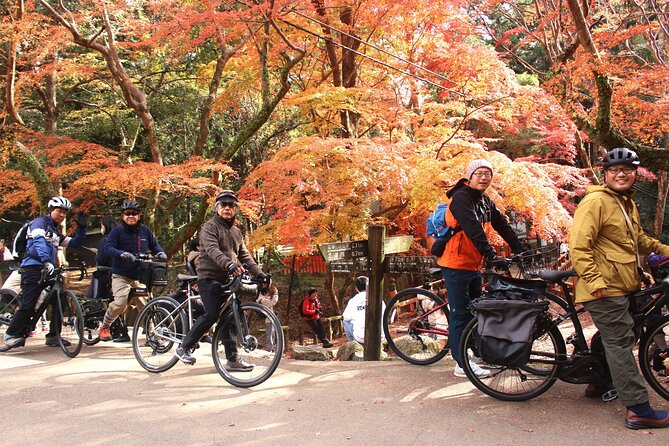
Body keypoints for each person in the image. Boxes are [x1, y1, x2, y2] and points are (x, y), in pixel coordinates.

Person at [569, 147, 669, 430]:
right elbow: (579, 246)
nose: (621, 173)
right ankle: (638, 410)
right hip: (604, 287)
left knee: (624, 335)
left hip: (621, 283)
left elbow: (637, 239)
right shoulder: (596, 202)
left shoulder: (625, 203)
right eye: (614, 170)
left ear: (635, 173)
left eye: (626, 169)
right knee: (620, 344)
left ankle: (598, 382)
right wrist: (595, 280)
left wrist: (664, 249)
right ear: (606, 174)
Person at [437, 159, 528, 378]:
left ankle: (476, 352)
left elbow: (502, 225)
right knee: (460, 314)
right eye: (479, 173)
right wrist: (491, 256)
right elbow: (472, 230)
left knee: (476, 312)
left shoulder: (485, 200)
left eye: (488, 173)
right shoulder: (460, 198)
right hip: (456, 264)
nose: (484, 177)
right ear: (469, 176)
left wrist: (520, 249)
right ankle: (461, 363)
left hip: (473, 265)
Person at [174, 190, 268, 367]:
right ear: (217, 208)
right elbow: (212, 250)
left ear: (236, 209)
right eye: (223, 205)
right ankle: (183, 347)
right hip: (208, 277)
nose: (227, 208)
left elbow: (245, 256)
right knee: (211, 314)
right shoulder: (209, 227)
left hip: (227, 279)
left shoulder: (237, 232)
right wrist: (230, 264)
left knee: (230, 317)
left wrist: (260, 274)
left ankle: (232, 360)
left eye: (231, 205)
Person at [0, 196, 87, 352]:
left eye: (64, 213)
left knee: (58, 297)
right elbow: (39, 242)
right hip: (32, 268)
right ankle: (11, 335)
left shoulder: (55, 231)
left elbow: (74, 243)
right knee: (28, 304)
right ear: (51, 210)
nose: (62, 215)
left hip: (48, 268)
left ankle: (53, 335)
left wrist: (81, 229)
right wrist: (46, 260)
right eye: (59, 211)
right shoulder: (39, 223)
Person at [98, 200, 167, 342]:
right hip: (121, 275)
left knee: (146, 304)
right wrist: (121, 254)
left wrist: (161, 253)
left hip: (140, 275)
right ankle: (105, 325)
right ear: (122, 216)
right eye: (127, 214)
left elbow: (155, 245)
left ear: (139, 215)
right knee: (120, 303)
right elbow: (108, 248)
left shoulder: (145, 231)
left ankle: (152, 335)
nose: (131, 216)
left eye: (134, 213)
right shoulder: (116, 232)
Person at [342, 276, 385, 344]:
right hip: (380, 337)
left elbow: (346, 317)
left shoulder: (354, 300)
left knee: (345, 322)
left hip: (361, 338)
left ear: (356, 288)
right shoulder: (377, 298)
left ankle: (353, 344)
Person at [86, 216, 117, 300]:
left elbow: (101, 260)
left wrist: (97, 254)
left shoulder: (105, 240)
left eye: (102, 226)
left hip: (107, 276)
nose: (101, 228)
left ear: (106, 226)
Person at [256, 282, 279, 347]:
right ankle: (269, 348)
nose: (269, 293)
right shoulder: (261, 299)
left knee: (272, 333)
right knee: (270, 334)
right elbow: (272, 303)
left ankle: (273, 347)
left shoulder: (263, 298)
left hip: (270, 318)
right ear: (265, 293)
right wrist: (275, 294)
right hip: (268, 319)